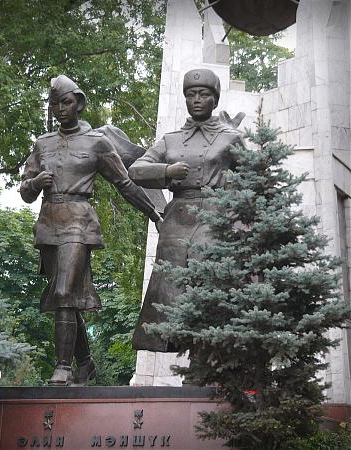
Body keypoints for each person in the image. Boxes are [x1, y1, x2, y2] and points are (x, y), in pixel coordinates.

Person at [20, 75, 162, 385]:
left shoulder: (98, 142)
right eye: (55, 104)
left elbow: (125, 183)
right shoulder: (43, 144)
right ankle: (85, 363)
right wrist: (35, 182)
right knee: (65, 298)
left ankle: (63, 368)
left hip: (79, 223)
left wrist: (153, 213)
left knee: (63, 292)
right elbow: (25, 192)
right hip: (49, 223)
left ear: (79, 103)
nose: (61, 109)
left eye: (66, 102)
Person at [129, 68, 244, 352]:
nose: (196, 100)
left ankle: (208, 351)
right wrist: (166, 171)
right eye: (191, 95)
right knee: (171, 286)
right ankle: (179, 344)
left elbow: (253, 177)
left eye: (203, 94)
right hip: (177, 217)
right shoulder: (171, 139)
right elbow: (136, 170)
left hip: (214, 215)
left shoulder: (230, 138)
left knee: (208, 278)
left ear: (215, 99)